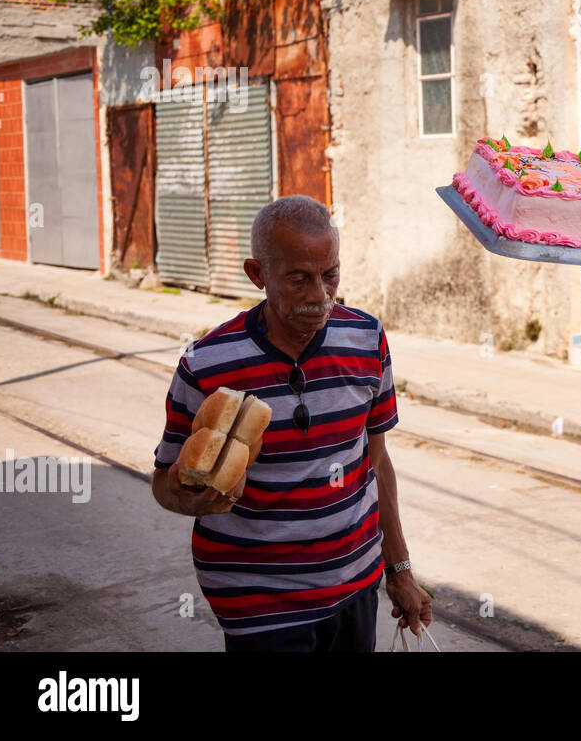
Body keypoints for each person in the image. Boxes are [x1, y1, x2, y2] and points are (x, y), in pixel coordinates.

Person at [150, 195, 432, 651]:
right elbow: (164, 480)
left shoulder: (366, 339)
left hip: (354, 582)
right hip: (256, 600)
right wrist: (188, 496)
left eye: (330, 275)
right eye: (299, 279)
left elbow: (377, 463)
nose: (319, 296)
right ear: (257, 274)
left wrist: (399, 570)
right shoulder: (207, 365)